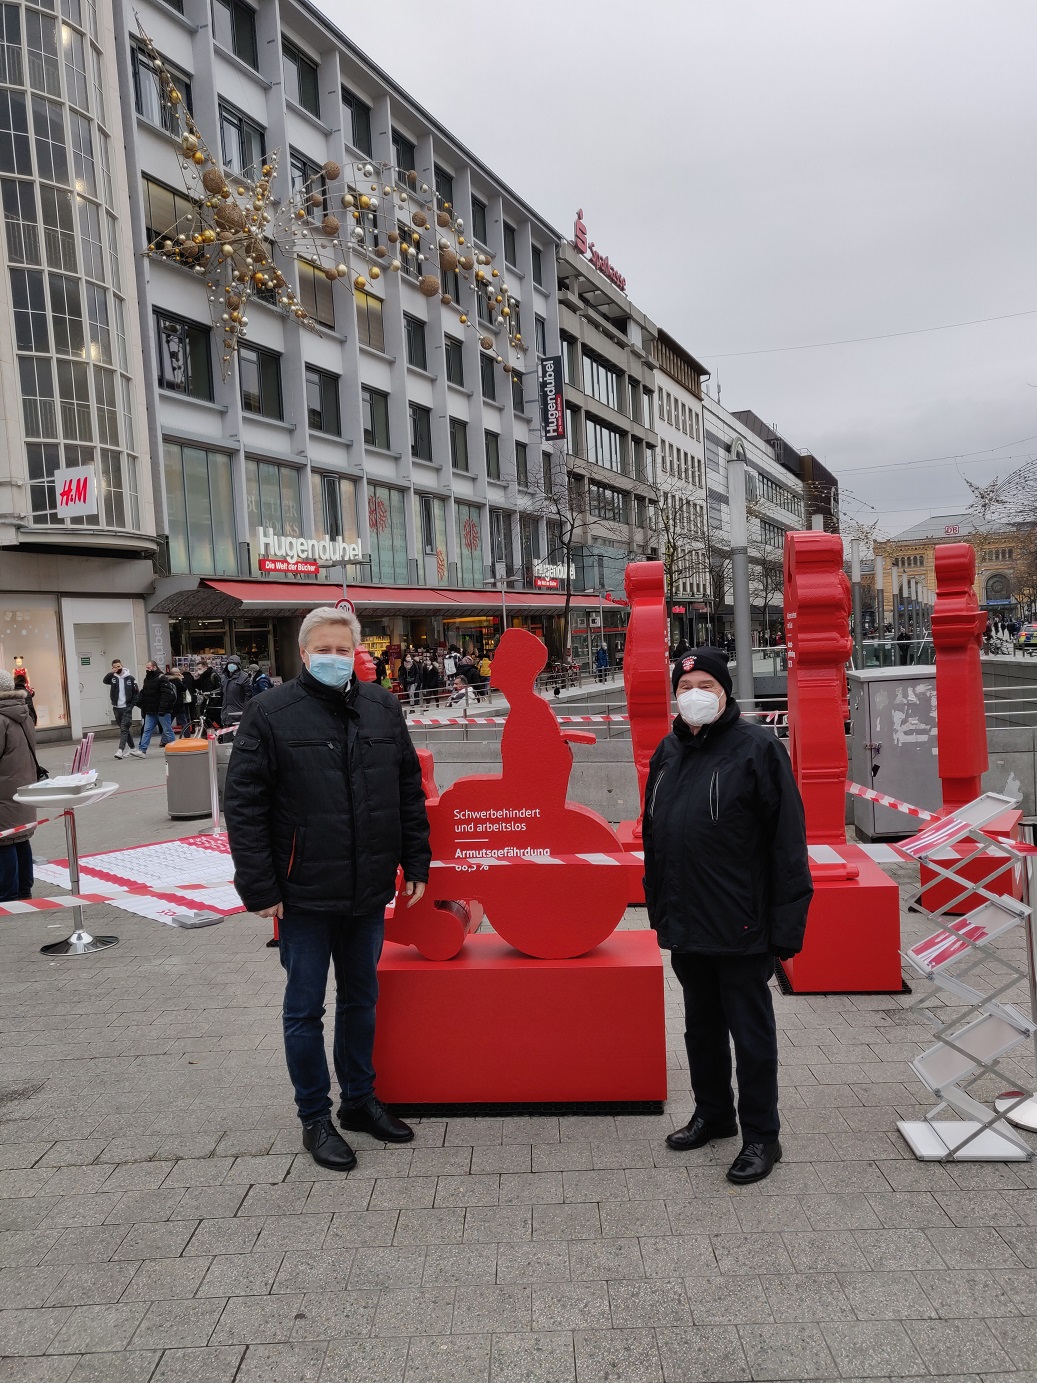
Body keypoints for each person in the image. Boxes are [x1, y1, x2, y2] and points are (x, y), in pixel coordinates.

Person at [224, 606, 431, 1171]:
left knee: (362, 1000)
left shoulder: (381, 707)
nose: (334, 658)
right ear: (303, 650)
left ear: (357, 651)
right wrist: (259, 885)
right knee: (304, 1009)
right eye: (324, 648)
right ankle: (314, 1115)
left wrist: (416, 859)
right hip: (303, 893)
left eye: (344, 649)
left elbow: (407, 789)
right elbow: (244, 806)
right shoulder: (269, 713)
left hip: (367, 888)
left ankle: (358, 1101)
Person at [643, 648, 812, 1185]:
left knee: (751, 1035)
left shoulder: (758, 749)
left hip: (742, 924)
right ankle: (713, 1114)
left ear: (725, 691)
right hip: (688, 923)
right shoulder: (668, 752)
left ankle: (761, 1136)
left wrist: (785, 928)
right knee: (701, 1029)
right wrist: (659, 907)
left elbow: (788, 844)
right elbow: (656, 836)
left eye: (706, 683)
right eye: (685, 682)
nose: (694, 692)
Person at [0, 668, 38, 902]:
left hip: (3, 790)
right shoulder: (22, 713)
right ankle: (24, 889)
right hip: (21, 785)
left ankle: (8, 893)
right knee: (20, 837)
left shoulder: (1, 718)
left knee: (4, 840)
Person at [130, 662, 176, 757]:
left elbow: (165, 694)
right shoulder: (147, 679)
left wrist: (163, 708)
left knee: (167, 730)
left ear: (154, 667)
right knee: (147, 730)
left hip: (161, 710)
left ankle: (175, 749)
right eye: (146, 667)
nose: (147, 669)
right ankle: (142, 750)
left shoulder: (161, 678)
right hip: (150, 710)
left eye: (149, 667)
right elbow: (145, 694)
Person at [103, 658, 139, 757]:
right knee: (124, 729)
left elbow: (136, 693)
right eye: (115, 667)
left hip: (126, 707)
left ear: (122, 666)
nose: (117, 668)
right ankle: (133, 749)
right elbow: (105, 681)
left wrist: (131, 705)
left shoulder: (130, 678)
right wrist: (111, 673)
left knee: (124, 728)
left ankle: (120, 750)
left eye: (119, 666)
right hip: (116, 707)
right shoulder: (113, 678)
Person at [219, 657, 253, 724]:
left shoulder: (244, 677)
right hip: (226, 712)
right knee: (227, 732)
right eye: (229, 664)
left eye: (233, 664)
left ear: (238, 665)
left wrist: (245, 709)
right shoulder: (224, 677)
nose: (231, 665)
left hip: (238, 712)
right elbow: (221, 690)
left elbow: (248, 694)